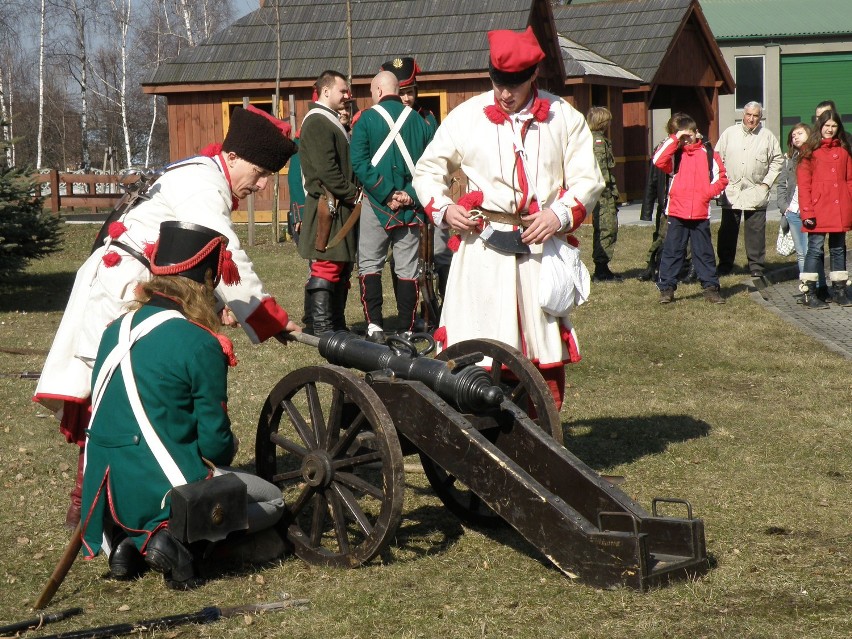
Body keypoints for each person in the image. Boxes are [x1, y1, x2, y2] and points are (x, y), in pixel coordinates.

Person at [34, 105, 299, 529]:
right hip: (124, 285)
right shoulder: (203, 185)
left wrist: (215, 307)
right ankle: (91, 502)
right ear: (232, 157)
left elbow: (189, 260)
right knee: (108, 393)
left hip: (132, 278)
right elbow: (225, 253)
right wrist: (268, 317)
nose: (263, 184)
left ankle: (98, 498)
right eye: (260, 171)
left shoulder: (202, 174)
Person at [79, 221, 287, 589]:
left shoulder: (116, 328)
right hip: (161, 482)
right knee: (272, 502)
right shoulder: (199, 341)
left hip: (105, 484)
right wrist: (228, 447)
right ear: (204, 284)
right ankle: (174, 540)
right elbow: (213, 445)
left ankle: (130, 543)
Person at [413, 26, 604, 409]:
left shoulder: (563, 117)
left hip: (539, 251)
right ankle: (484, 439)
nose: (504, 93)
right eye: (498, 82)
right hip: (482, 251)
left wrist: (558, 214)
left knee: (542, 346)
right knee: (478, 345)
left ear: (533, 75)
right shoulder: (466, 117)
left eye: (514, 84)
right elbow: (427, 170)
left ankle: (543, 441)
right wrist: (447, 208)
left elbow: (588, 180)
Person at [351, 70, 434, 342]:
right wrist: (409, 195)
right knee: (408, 270)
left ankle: (374, 326)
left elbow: (359, 163)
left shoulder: (365, 120)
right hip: (410, 207)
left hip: (376, 204)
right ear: (398, 90)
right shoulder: (421, 122)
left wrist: (386, 194)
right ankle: (407, 328)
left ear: (376, 91)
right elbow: (429, 166)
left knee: (370, 265)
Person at [297, 70, 361, 336]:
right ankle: (322, 327)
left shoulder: (330, 120)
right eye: (342, 90)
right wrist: (352, 193)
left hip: (339, 203)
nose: (347, 95)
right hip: (329, 204)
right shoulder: (318, 122)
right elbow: (326, 170)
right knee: (328, 264)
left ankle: (334, 324)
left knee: (342, 264)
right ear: (326, 91)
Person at [652, 114, 728, 304]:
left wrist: (707, 193)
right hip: (677, 212)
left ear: (696, 133)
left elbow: (722, 178)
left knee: (704, 252)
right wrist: (675, 139)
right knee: (672, 251)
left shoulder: (709, 153)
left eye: (689, 135)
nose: (686, 140)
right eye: (682, 136)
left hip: (700, 213)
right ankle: (667, 288)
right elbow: (658, 160)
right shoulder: (675, 156)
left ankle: (710, 287)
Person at [715, 101, 784, 277]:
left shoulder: (767, 136)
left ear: (760, 118)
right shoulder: (729, 133)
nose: (751, 119)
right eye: (749, 115)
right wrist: (720, 182)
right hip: (731, 190)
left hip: (756, 190)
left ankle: (756, 266)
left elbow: (778, 161)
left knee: (756, 231)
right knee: (728, 230)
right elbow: (717, 158)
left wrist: (767, 183)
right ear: (743, 115)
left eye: (755, 116)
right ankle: (724, 264)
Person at [796, 108, 852, 308]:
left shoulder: (844, 150)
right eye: (826, 125)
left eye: (834, 126)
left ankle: (839, 290)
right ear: (820, 126)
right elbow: (804, 185)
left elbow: (849, 181)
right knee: (815, 249)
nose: (830, 129)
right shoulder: (809, 151)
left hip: (839, 209)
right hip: (818, 210)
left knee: (838, 249)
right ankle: (809, 292)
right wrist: (807, 212)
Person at [776, 122, 830, 302]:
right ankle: (808, 289)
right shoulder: (789, 159)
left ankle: (821, 287)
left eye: (799, 133)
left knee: (814, 251)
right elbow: (782, 186)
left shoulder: (816, 156)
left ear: (809, 134)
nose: (795, 137)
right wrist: (785, 208)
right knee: (802, 253)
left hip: (812, 211)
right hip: (794, 212)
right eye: (793, 135)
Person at [638, 113, 694, 283]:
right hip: (667, 203)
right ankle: (654, 265)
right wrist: (647, 209)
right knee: (662, 236)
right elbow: (653, 180)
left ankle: (691, 269)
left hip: (687, 202)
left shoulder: (694, 149)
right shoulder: (663, 149)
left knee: (690, 238)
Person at [586, 106, 621, 282]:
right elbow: (602, 172)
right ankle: (601, 269)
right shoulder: (598, 142)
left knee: (605, 228)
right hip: (602, 194)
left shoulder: (591, 139)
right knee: (606, 228)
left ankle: (602, 267)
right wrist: (610, 194)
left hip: (601, 193)